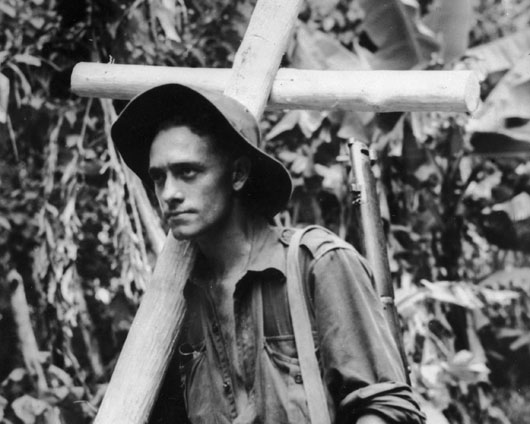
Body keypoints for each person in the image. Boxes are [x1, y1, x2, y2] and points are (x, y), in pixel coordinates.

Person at [111, 84, 425, 424]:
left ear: (237, 174)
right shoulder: (177, 304)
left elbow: (389, 408)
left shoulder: (315, 265)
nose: (169, 193)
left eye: (188, 172)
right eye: (159, 177)